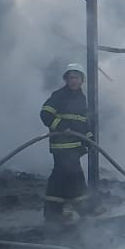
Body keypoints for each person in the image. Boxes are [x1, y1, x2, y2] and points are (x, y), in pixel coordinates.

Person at [40, 63, 94, 222]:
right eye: (71, 77)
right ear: (66, 79)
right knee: (73, 176)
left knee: (64, 177)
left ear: (82, 80)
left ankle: (55, 213)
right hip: (62, 146)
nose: (74, 81)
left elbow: (83, 123)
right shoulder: (59, 95)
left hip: (75, 147)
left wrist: (89, 138)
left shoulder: (82, 98)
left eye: (77, 77)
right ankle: (81, 210)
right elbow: (45, 114)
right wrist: (62, 127)